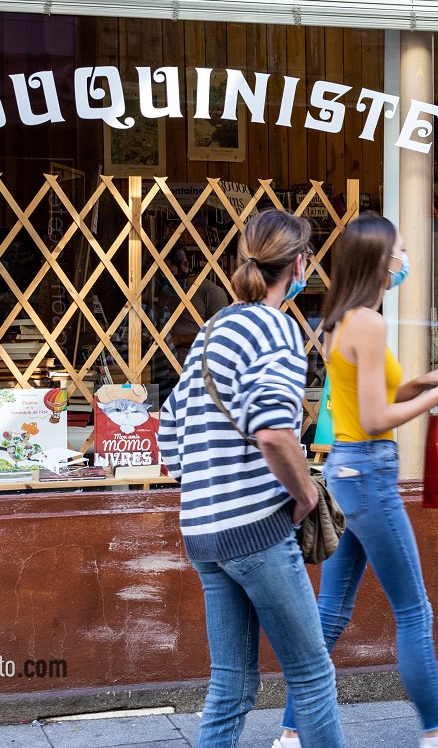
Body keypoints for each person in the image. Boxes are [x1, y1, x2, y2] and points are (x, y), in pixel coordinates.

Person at [275, 212, 438, 748]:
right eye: (400, 251)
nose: (405, 260)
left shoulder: (342, 320)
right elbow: (377, 419)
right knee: (414, 609)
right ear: (380, 260)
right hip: (371, 476)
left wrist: (424, 380)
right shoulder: (370, 322)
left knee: (330, 614)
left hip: (346, 475)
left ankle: (289, 734)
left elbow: (368, 401)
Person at [157, 210, 346, 748]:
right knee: (312, 676)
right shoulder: (277, 328)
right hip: (257, 532)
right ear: (299, 264)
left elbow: (170, 428)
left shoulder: (214, 330)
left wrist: (211, 484)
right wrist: (306, 493)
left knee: (232, 686)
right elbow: (272, 432)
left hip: (204, 533)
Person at [159, 245, 231, 365]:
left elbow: (219, 334)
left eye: (170, 273)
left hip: (195, 370)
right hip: (162, 370)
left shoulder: (212, 292)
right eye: (162, 274)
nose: (166, 278)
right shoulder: (165, 293)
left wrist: (179, 339)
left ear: (185, 265)